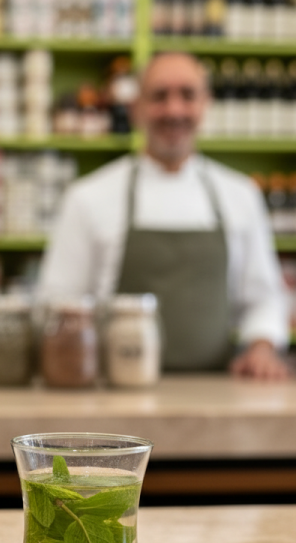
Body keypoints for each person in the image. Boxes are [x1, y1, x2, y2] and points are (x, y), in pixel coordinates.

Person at [38, 52, 291, 380]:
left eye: (187, 95)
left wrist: (261, 345)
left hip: (214, 393)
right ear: (136, 108)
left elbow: (264, 298)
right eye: (159, 97)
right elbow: (56, 301)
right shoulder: (88, 197)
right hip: (111, 393)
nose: (174, 110)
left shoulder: (241, 195)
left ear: (205, 105)